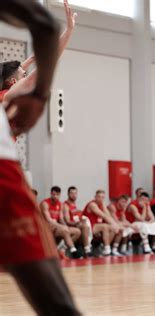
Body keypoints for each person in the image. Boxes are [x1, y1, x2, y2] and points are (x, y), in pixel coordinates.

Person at [0, 0, 81, 314]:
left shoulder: (7, 88)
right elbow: (46, 29)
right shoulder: (14, 94)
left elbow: (29, 61)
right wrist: (41, 93)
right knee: (57, 304)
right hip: (3, 175)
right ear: (12, 81)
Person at [40, 186, 81, 258]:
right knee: (64, 230)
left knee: (77, 231)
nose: (55, 196)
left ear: (60, 195)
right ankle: (73, 251)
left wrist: (66, 226)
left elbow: (61, 219)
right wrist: (62, 227)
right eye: (54, 194)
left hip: (57, 227)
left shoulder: (60, 204)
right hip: (47, 227)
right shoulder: (45, 203)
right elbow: (48, 219)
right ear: (51, 194)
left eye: (57, 195)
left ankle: (64, 248)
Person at [83, 190, 123, 256]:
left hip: (97, 226)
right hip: (89, 226)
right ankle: (107, 250)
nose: (100, 199)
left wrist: (115, 226)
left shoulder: (102, 204)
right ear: (95, 197)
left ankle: (108, 247)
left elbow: (108, 215)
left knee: (114, 228)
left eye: (102, 197)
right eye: (99, 197)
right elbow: (103, 216)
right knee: (105, 226)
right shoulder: (92, 204)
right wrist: (115, 225)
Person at [63, 186, 92, 257]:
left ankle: (85, 249)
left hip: (77, 226)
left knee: (86, 225)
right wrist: (77, 223)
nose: (74, 195)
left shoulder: (75, 205)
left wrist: (82, 219)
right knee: (84, 227)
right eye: (72, 193)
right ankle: (87, 250)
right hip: (70, 226)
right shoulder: (65, 205)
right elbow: (67, 221)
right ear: (68, 194)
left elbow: (77, 217)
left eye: (75, 193)